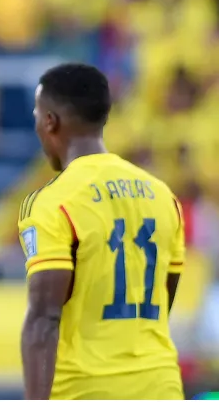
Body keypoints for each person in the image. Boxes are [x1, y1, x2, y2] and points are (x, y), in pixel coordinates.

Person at [18, 63, 184, 400]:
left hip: (87, 388)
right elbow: (164, 298)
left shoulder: (54, 201)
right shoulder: (163, 195)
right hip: (160, 384)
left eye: (37, 114)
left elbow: (43, 319)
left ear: (49, 121)